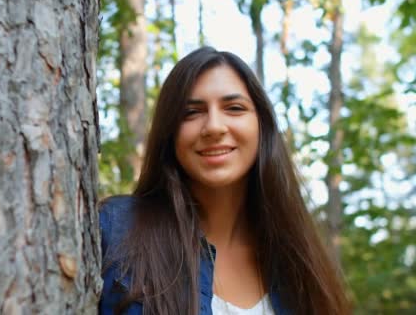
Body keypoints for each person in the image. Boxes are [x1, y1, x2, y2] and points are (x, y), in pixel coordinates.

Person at [98, 47, 350, 315]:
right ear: (170, 133)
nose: (214, 127)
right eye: (191, 113)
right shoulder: (116, 230)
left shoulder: (299, 263)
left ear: (261, 126)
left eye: (234, 108)